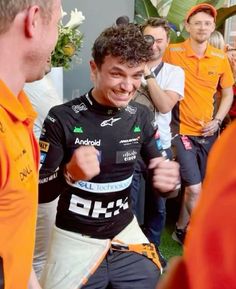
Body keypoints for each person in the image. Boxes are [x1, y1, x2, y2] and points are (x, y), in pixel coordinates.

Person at [39, 23, 180, 289]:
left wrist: (170, 183)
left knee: (150, 277)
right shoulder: (62, 117)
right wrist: (69, 173)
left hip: (125, 233)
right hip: (74, 238)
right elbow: (38, 191)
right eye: (117, 74)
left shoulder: (141, 115)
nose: (128, 86)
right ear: (94, 69)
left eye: (137, 75)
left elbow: (165, 183)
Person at [0, 0, 61, 288]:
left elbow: (14, 245)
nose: (57, 38)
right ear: (34, 20)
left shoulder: (18, 110)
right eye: (58, 24)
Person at [163, 3, 234, 244]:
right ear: (187, 26)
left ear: (213, 27)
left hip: (208, 132)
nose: (202, 27)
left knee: (196, 186)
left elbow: (227, 93)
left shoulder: (220, 57)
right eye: (197, 23)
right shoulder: (172, 52)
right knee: (194, 189)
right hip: (180, 130)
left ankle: (181, 228)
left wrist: (217, 120)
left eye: (207, 23)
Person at [157, 119, 236, 289]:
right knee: (194, 188)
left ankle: (182, 229)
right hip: (185, 134)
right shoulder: (231, 142)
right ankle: (182, 230)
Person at [132, 17, 184, 265]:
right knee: (126, 203)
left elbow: (164, 106)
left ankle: (152, 249)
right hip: (128, 145)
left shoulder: (174, 73)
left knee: (158, 206)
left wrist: (148, 74)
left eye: (158, 40)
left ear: (167, 42)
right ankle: (126, 251)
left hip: (160, 145)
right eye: (148, 39)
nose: (152, 44)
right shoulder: (129, 66)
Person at [24, 60, 63, 279]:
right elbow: (62, 118)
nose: (52, 52)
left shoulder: (37, 78)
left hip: (40, 175)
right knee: (40, 256)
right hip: (39, 177)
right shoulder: (31, 83)